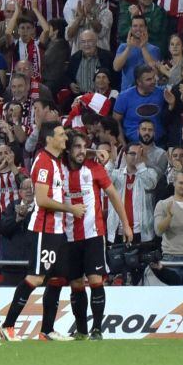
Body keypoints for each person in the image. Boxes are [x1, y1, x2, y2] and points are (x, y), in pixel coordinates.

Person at [0, 122, 86, 342]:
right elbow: (42, 199)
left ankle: (47, 330)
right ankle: (7, 326)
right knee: (36, 277)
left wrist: (97, 152)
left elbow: (77, 150)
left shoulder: (56, 160)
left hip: (58, 230)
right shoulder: (45, 162)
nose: (65, 139)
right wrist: (70, 208)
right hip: (44, 228)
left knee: (58, 278)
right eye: (60, 135)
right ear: (49, 139)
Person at [63, 132, 132, 340]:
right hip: (68, 237)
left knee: (95, 281)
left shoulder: (94, 168)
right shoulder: (58, 169)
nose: (82, 151)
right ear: (67, 150)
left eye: (85, 147)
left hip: (93, 234)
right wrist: (93, 151)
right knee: (75, 285)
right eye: (77, 147)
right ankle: (82, 330)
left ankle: (97, 330)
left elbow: (113, 196)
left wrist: (126, 224)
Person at [113, 66, 166, 145]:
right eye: (148, 79)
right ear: (138, 82)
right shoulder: (124, 97)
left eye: (153, 78)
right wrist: (123, 143)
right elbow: (115, 121)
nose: (153, 81)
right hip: (132, 144)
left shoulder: (162, 93)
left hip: (159, 144)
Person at [113, 16, 160, 90]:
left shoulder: (154, 49)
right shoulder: (123, 47)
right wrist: (128, 48)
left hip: (148, 92)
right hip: (127, 92)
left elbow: (155, 72)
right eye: (135, 26)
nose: (138, 29)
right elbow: (116, 67)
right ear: (131, 29)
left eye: (141, 26)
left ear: (146, 28)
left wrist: (143, 47)